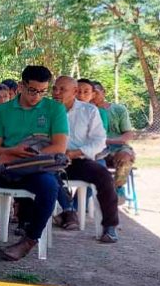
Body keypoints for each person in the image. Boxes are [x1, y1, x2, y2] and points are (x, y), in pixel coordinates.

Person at [0, 65, 69, 261]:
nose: (36, 96)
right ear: (21, 86)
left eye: (42, 91)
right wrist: (11, 151)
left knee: (50, 186)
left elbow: (60, 147)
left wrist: (27, 155)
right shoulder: (2, 110)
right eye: (32, 90)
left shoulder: (55, 109)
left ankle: (30, 239)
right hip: (5, 168)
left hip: (36, 170)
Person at [51, 76, 119, 242]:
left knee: (103, 175)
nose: (56, 93)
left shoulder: (89, 111)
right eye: (54, 89)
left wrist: (76, 152)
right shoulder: (46, 110)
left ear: (74, 92)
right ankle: (69, 211)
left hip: (78, 159)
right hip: (51, 159)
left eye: (62, 89)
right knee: (45, 173)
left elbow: (99, 140)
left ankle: (109, 227)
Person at [92, 81, 135, 196]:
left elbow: (128, 135)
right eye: (90, 93)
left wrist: (108, 141)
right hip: (94, 151)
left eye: (95, 92)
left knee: (126, 156)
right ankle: (81, 200)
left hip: (117, 148)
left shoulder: (119, 110)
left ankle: (118, 188)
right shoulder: (85, 111)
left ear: (103, 92)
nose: (93, 95)